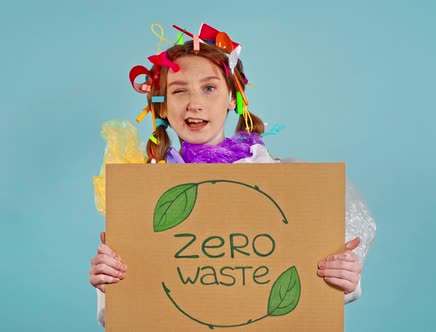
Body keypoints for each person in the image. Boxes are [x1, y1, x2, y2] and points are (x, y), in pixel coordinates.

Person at [89, 24, 376, 327]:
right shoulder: (141, 194)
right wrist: (110, 282)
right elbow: (115, 316)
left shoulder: (287, 182)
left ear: (232, 97)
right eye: (178, 90)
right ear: (161, 105)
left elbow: (318, 291)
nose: (194, 103)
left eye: (209, 88)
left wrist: (344, 278)